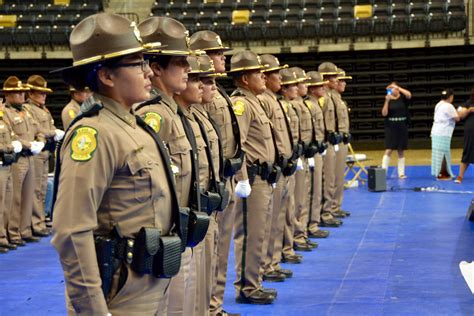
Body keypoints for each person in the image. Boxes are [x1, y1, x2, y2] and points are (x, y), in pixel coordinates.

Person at [51, 13, 178, 315]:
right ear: (107, 76)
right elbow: (71, 230)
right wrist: (93, 309)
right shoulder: (94, 134)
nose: (149, 73)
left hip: (151, 280)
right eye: (137, 64)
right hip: (119, 294)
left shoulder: (135, 125)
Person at [136, 16, 196, 316]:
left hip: (182, 228)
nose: (188, 69)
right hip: (163, 236)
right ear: (157, 68)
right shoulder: (154, 115)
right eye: (180, 62)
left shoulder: (174, 111)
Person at [189, 30, 242, 316]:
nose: (222, 57)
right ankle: (210, 306)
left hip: (222, 180)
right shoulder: (201, 97)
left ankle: (214, 304)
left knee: (219, 249)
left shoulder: (216, 90)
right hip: (211, 185)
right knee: (211, 251)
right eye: (217, 53)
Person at [229, 50, 277, 305]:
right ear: (245, 78)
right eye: (258, 72)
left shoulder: (256, 101)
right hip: (253, 180)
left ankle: (254, 281)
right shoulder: (242, 104)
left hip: (265, 178)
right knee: (249, 234)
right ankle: (246, 287)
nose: (263, 76)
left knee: (260, 234)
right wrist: (243, 179)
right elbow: (238, 145)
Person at [257, 54, 294, 282]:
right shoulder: (261, 101)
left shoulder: (273, 100)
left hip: (280, 167)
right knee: (264, 226)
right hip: (267, 170)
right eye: (275, 75)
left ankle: (271, 263)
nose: (280, 79)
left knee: (276, 218)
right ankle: (263, 267)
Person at [2, 76, 45, 246]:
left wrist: (40, 141)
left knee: (28, 195)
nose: (21, 95)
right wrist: (29, 144)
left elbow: (38, 129)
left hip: (30, 157)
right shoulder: (4, 112)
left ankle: (25, 230)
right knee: (15, 198)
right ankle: (13, 233)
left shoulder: (25, 111)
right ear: (7, 95)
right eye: (17, 93)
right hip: (18, 159)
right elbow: (12, 135)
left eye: (22, 92)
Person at [24, 75, 64, 237]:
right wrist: (53, 133)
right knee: (35, 190)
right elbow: (38, 131)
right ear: (31, 94)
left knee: (41, 189)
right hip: (36, 152)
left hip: (46, 152)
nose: (44, 96)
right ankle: (35, 223)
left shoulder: (43, 109)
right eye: (40, 93)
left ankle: (39, 220)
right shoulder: (28, 110)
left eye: (45, 94)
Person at [305, 71, 335, 236]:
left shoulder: (315, 103)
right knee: (313, 190)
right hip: (311, 151)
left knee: (318, 187)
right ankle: (311, 224)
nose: (323, 88)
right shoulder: (309, 104)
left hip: (318, 148)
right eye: (319, 86)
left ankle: (314, 222)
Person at [318, 62, 344, 224]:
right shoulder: (323, 98)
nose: (338, 80)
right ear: (326, 79)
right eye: (334, 77)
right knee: (328, 179)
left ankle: (334, 207)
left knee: (336, 177)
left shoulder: (334, 96)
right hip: (326, 142)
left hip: (335, 140)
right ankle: (326, 211)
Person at [0, 100, 22, 253]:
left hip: (7, 165)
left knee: (7, 204)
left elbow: (13, 136)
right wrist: (10, 147)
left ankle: (3, 235)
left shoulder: (3, 121)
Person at [331, 68, 352, 216]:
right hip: (334, 142)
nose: (343, 83)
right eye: (341, 80)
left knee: (339, 176)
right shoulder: (328, 98)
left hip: (342, 141)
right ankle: (331, 207)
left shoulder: (337, 98)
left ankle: (336, 206)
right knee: (333, 177)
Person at [381, 81, 412, 178]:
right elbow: (384, 113)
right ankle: (383, 172)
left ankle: (401, 173)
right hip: (391, 126)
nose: (392, 90)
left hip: (402, 125)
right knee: (389, 149)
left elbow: (409, 95)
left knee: (401, 150)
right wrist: (387, 101)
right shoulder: (388, 100)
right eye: (390, 88)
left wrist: (398, 87)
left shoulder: (403, 98)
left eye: (393, 88)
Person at [430, 89, 460, 180]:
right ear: (450, 97)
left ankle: (440, 172)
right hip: (443, 132)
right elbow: (457, 118)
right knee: (443, 153)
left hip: (436, 132)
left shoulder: (438, 104)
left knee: (438, 153)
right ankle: (443, 173)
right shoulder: (448, 106)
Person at [454, 89, 474, 183]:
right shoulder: (468, 103)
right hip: (470, 132)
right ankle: (460, 176)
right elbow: (459, 115)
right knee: (467, 152)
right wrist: (469, 110)